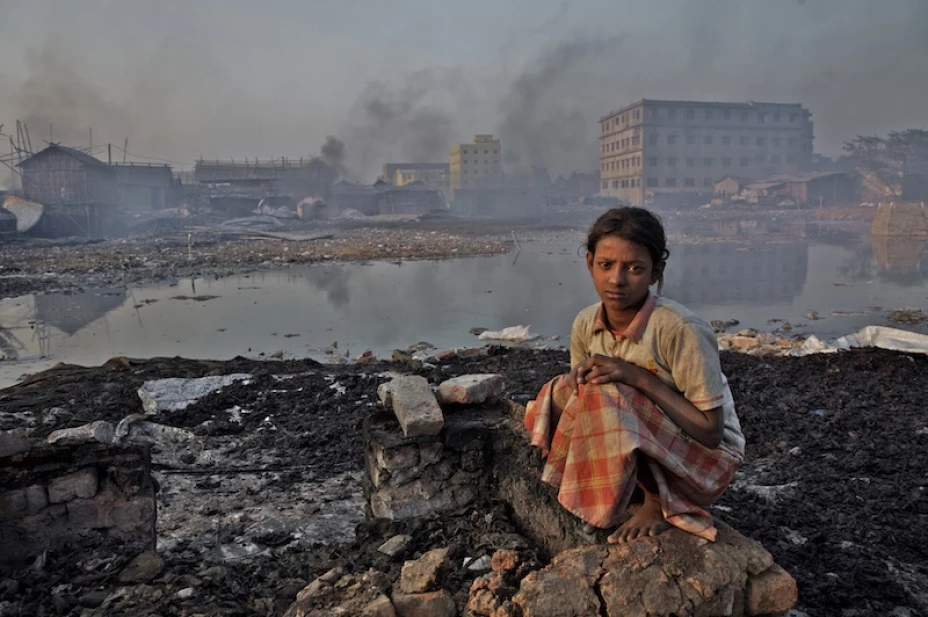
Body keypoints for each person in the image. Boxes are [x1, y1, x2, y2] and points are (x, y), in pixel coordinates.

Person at [524, 207, 744, 543]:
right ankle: (621, 487)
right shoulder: (586, 323)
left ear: (656, 272)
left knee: (607, 390)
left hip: (705, 461)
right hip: (653, 441)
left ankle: (657, 502)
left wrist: (639, 378)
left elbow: (711, 433)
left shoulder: (679, 329)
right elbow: (583, 406)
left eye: (635, 268)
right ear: (590, 264)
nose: (617, 280)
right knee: (566, 389)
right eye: (606, 265)